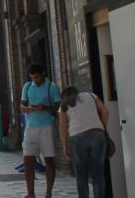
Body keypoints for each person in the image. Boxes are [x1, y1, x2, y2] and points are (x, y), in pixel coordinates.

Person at [59, 85, 110, 198]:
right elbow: (105, 111)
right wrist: (102, 126)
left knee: (81, 175)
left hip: (77, 138)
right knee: (98, 174)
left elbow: (62, 126)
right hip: (97, 134)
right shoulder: (91, 95)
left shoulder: (64, 104)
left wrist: (64, 145)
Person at [20, 63, 61, 198]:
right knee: (27, 159)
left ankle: (48, 192)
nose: (35, 81)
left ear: (43, 74)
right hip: (31, 126)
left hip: (46, 127)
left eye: (37, 78)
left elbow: (57, 108)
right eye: (32, 78)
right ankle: (30, 193)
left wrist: (44, 107)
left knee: (49, 160)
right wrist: (26, 109)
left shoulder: (52, 87)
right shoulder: (27, 86)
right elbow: (22, 105)